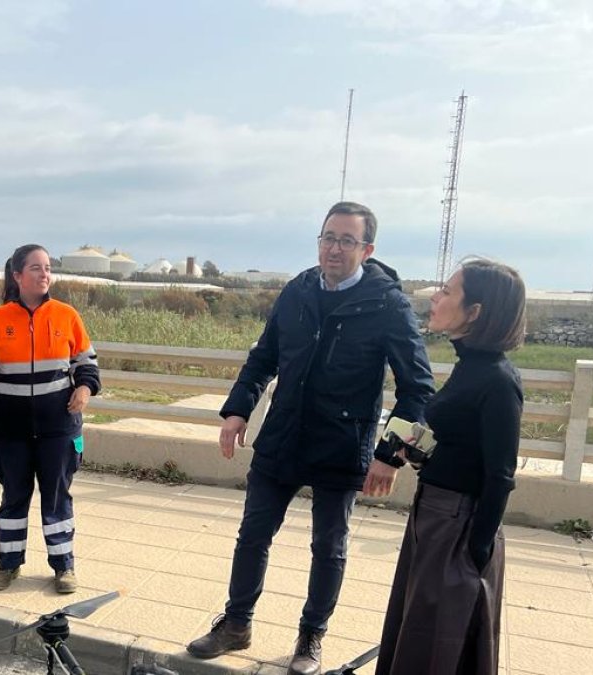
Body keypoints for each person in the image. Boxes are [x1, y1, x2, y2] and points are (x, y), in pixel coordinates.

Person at [186, 202, 436, 675]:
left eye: (347, 240)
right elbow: (264, 358)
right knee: (253, 534)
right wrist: (237, 410)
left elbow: (418, 388)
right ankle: (236, 624)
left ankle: (311, 637)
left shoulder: (387, 304)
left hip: (343, 442)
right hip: (283, 434)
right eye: (328, 238)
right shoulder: (298, 290)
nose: (334, 249)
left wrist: (389, 455)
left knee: (329, 547)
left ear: (367, 249)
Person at [374, 259, 526, 675]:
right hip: (433, 514)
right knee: (416, 629)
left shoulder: (498, 380)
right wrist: (412, 451)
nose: (435, 299)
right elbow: (461, 446)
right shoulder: (469, 367)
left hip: (458, 526)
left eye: (446, 292)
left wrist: (476, 552)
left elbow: (500, 476)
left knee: (440, 639)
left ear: (474, 312)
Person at [0, 244, 100, 595]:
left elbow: (86, 364)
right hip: (10, 430)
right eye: (36, 268)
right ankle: (8, 564)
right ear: (17, 275)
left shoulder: (66, 315)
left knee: (57, 498)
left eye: (48, 268)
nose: (44, 274)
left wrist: (84, 388)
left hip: (58, 427)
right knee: (14, 497)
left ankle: (64, 566)